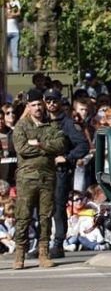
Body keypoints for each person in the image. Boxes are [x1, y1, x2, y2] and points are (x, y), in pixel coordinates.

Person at [11, 88, 68, 269]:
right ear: (28, 107)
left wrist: (40, 144)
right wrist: (46, 149)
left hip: (47, 178)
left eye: (39, 105)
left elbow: (61, 144)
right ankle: (20, 253)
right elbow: (22, 148)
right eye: (34, 105)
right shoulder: (21, 126)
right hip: (26, 178)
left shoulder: (52, 125)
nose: (37, 108)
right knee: (23, 216)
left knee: (46, 217)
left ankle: (44, 253)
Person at [44, 89, 88, 259]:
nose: (51, 104)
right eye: (48, 101)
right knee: (43, 208)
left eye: (54, 100)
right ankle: (42, 244)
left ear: (60, 102)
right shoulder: (42, 122)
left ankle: (58, 243)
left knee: (58, 207)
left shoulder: (68, 123)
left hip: (61, 172)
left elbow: (83, 146)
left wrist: (67, 157)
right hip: (44, 171)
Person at [33, 0, 60, 70]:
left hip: (52, 24)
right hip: (42, 24)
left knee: (54, 45)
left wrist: (55, 18)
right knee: (40, 45)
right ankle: (39, 65)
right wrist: (38, 16)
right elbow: (33, 11)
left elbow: (59, 10)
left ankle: (54, 65)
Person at [6, 0, 21, 72]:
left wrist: (10, 14)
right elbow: (5, 15)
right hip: (4, 33)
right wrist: (12, 14)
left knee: (15, 53)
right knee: (4, 53)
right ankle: (4, 70)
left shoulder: (15, 4)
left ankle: (15, 70)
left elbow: (19, 13)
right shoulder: (2, 5)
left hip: (15, 32)